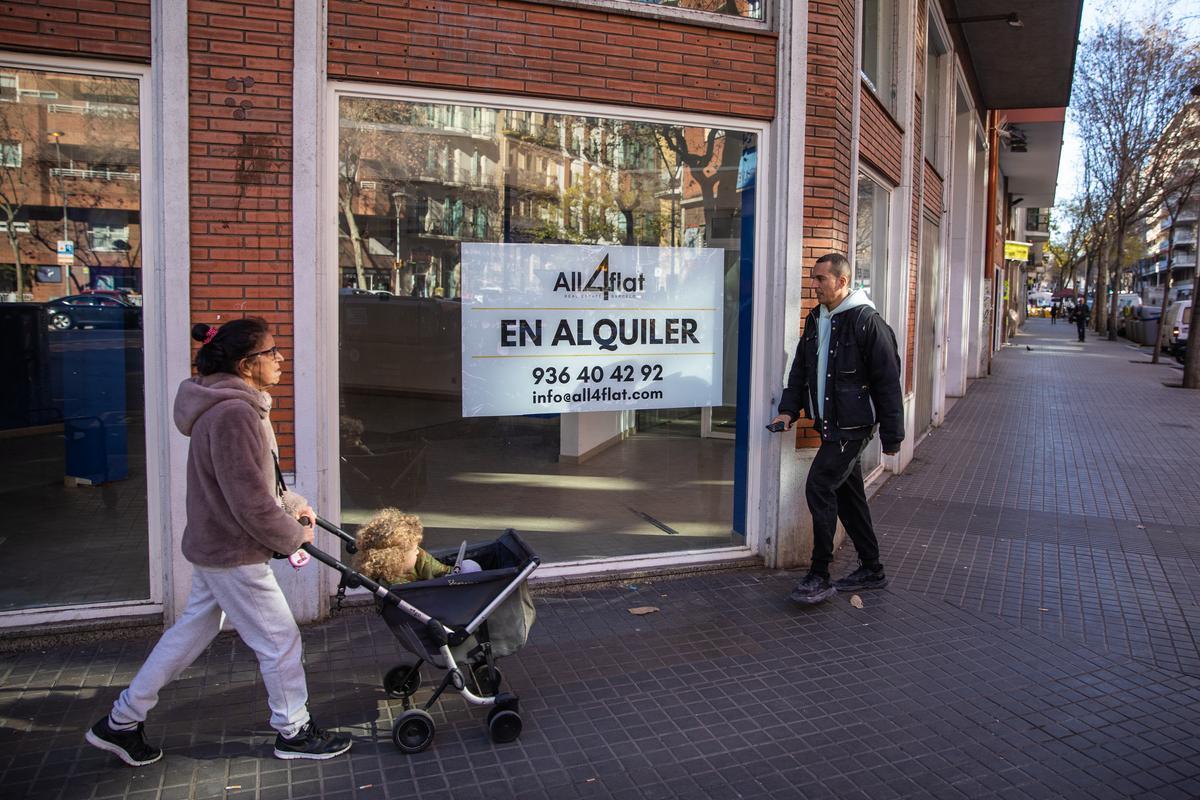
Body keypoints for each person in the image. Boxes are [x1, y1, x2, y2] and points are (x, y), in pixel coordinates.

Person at [85, 318, 352, 766]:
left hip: (217, 544)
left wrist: (295, 504)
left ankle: (121, 720)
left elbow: (258, 484)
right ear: (247, 364)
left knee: (190, 632)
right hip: (233, 551)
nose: (281, 359)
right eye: (272, 353)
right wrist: (294, 537)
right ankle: (295, 731)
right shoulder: (234, 414)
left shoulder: (236, 406)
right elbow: (249, 501)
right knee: (281, 641)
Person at [769, 253, 904, 605]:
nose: (814, 286)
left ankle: (819, 574)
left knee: (819, 485)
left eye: (819, 279)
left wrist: (893, 436)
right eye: (813, 279)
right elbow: (800, 368)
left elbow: (887, 381)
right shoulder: (817, 318)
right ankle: (872, 569)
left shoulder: (866, 322)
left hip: (853, 426)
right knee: (848, 495)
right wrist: (787, 410)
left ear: (842, 281)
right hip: (831, 424)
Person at [354, 508, 454, 585]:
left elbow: (441, 570)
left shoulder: (420, 559)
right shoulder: (395, 584)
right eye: (414, 549)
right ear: (397, 559)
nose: (418, 552)